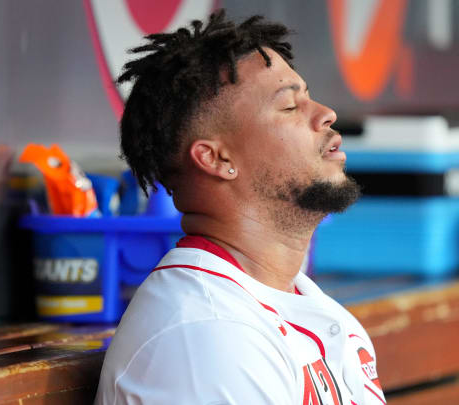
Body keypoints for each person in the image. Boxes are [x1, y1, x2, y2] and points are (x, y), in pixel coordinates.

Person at [95, 10, 384, 405]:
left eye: (308, 96)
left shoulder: (311, 309)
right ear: (215, 159)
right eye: (289, 106)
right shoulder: (204, 337)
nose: (325, 114)